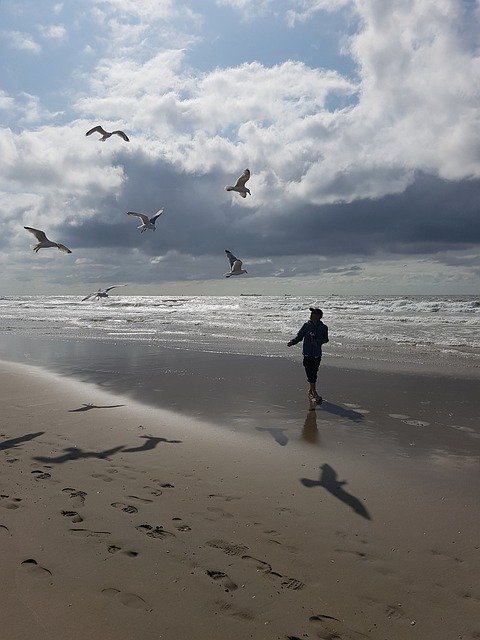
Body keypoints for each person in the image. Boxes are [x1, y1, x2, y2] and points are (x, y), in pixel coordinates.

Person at [287, 307, 329, 404]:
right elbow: (300, 336)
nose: (311, 315)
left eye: (313, 313)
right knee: (310, 372)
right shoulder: (306, 325)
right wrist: (292, 342)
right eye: (311, 313)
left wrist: (318, 341)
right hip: (307, 353)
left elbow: (326, 339)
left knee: (314, 372)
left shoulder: (324, 327)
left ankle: (311, 390)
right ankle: (314, 391)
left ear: (318, 316)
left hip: (317, 354)